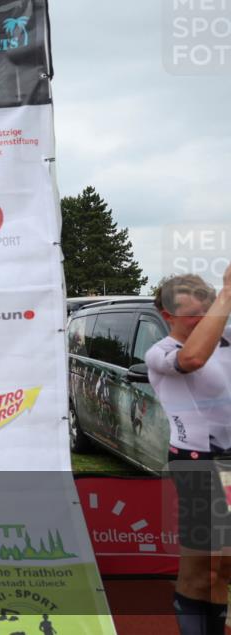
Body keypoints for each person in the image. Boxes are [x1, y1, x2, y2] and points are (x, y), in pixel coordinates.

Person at [145, 267, 231, 635]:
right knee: (204, 570)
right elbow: (193, 360)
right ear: (167, 316)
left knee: (222, 568)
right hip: (198, 466)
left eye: (207, 311)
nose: (202, 321)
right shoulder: (162, 353)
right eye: (191, 315)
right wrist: (227, 292)